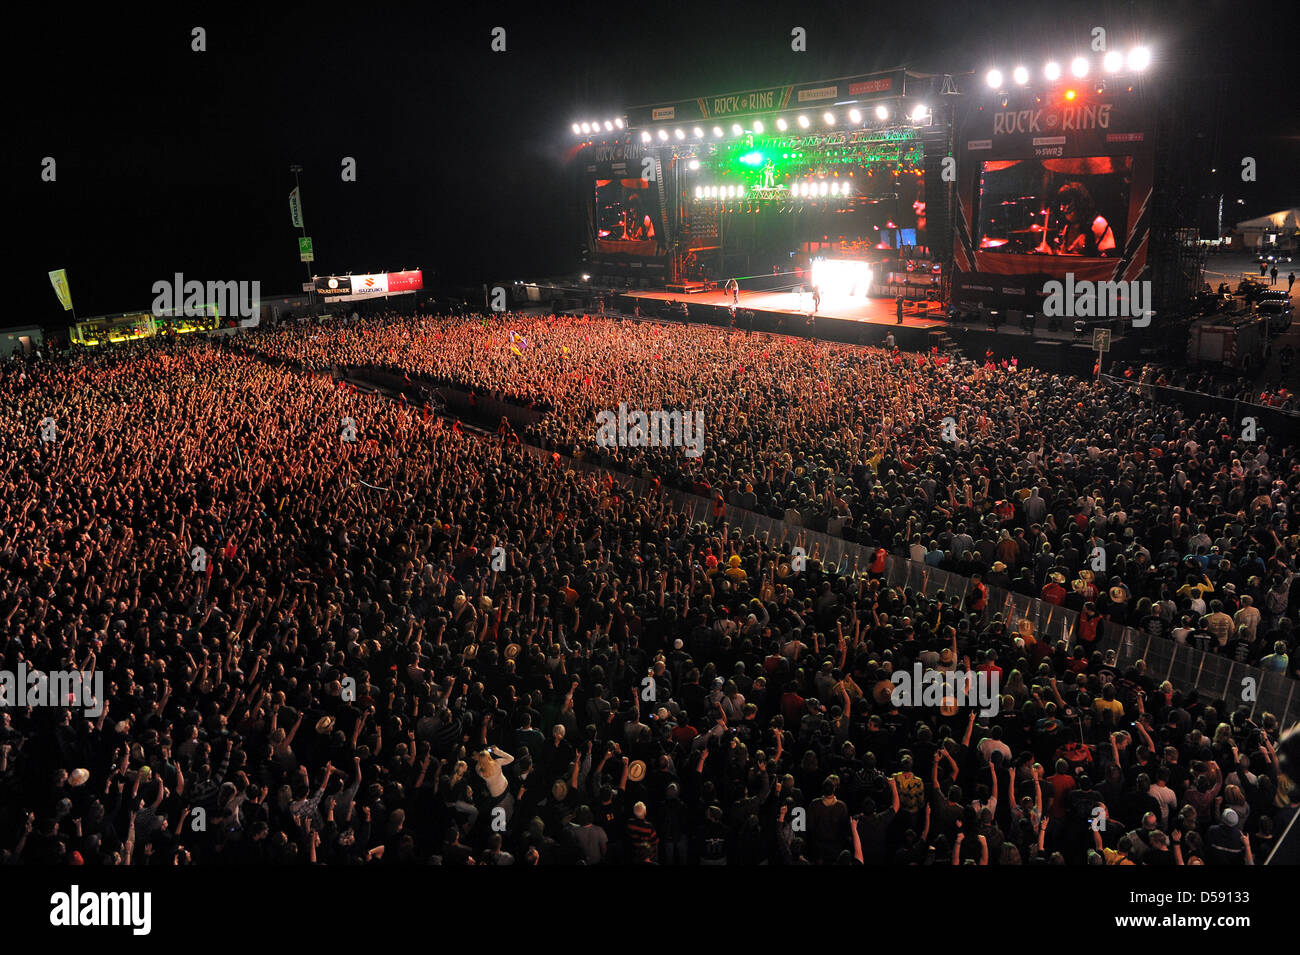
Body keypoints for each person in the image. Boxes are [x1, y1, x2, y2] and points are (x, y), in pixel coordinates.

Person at [1035, 181, 1116, 256]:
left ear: (1080, 202)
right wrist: (1049, 253)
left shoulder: (1098, 223)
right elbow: (1065, 259)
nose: (1062, 208)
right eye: (1061, 203)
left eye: (1067, 202)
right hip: (1070, 272)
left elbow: (1108, 260)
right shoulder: (1068, 227)